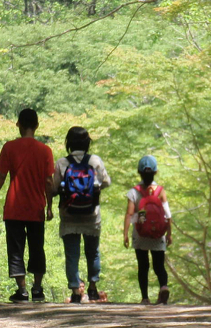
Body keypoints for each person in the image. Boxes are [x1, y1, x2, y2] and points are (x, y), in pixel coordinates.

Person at [0, 108, 55, 303]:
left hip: (14, 208)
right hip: (36, 207)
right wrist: (49, 206)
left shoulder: (9, 147)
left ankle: (22, 290)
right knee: (37, 248)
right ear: (37, 126)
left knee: (16, 249)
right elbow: (48, 181)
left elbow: (2, 176)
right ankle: (38, 289)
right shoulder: (45, 150)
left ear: (18, 124)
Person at [53, 126, 111, 303]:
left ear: (68, 143)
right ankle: (92, 288)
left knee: (72, 255)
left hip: (69, 215)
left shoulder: (62, 163)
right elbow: (106, 182)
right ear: (87, 143)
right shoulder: (95, 161)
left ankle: (75, 291)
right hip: (91, 214)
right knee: (93, 252)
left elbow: (54, 188)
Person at [123, 155, 172, 304]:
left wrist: (125, 234)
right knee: (159, 265)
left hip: (140, 233)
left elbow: (129, 214)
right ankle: (163, 287)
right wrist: (169, 234)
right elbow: (167, 214)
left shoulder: (134, 192)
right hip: (158, 233)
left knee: (143, 266)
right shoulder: (161, 191)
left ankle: (145, 298)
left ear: (139, 172)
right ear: (155, 172)